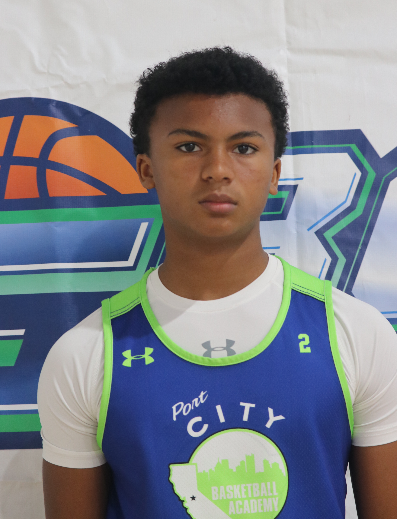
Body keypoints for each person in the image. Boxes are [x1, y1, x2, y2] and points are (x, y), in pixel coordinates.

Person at [38, 47, 397, 519]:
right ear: (146, 169)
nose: (218, 170)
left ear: (274, 173)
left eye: (243, 148)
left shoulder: (356, 333)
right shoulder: (84, 354)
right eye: (189, 147)